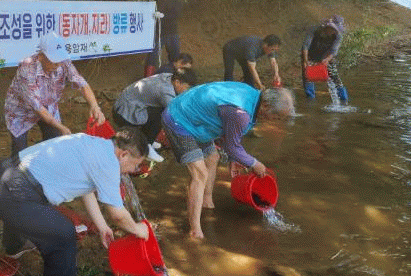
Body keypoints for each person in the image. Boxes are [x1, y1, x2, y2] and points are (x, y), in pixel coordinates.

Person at [0, 127, 152, 276]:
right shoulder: (109, 162)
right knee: (64, 234)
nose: (133, 170)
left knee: (28, 207)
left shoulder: (93, 143)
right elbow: (118, 215)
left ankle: (15, 247)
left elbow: (86, 189)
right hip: (13, 194)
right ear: (124, 155)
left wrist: (102, 226)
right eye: (135, 165)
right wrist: (138, 229)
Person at [162, 81, 295, 239]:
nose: (275, 120)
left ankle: (207, 201)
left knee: (213, 157)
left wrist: (234, 158)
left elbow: (229, 134)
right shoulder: (241, 113)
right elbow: (232, 145)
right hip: (179, 119)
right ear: (266, 106)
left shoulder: (253, 96)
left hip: (197, 118)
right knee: (200, 174)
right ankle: (195, 231)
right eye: (276, 117)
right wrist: (255, 164)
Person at [5, 31, 106, 156]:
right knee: (20, 152)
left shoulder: (63, 62)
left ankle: (45, 161)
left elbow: (81, 83)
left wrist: (95, 106)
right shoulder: (27, 70)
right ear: (41, 56)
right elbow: (39, 109)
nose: (58, 64)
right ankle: (18, 165)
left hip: (49, 106)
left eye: (59, 59)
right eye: (53, 60)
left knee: (54, 143)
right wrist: (61, 127)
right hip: (21, 111)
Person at [113, 68, 197, 143]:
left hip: (124, 103)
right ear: (177, 82)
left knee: (161, 111)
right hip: (124, 114)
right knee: (162, 115)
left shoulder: (169, 76)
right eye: (187, 88)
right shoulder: (165, 91)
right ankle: (147, 144)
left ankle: (147, 137)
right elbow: (177, 115)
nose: (187, 91)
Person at [301, 15, 348, 104]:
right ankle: (310, 100)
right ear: (327, 27)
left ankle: (343, 100)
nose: (334, 32)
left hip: (327, 55)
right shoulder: (314, 30)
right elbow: (306, 46)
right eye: (332, 29)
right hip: (310, 54)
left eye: (336, 30)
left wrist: (327, 59)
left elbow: (334, 51)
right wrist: (305, 61)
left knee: (335, 77)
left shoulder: (338, 36)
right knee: (308, 77)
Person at [145, 0, 181, 77]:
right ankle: (148, 78)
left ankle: (175, 76)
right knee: (153, 55)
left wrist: (164, 15)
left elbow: (177, 13)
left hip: (172, 31)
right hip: (158, 32)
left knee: (175, 55)